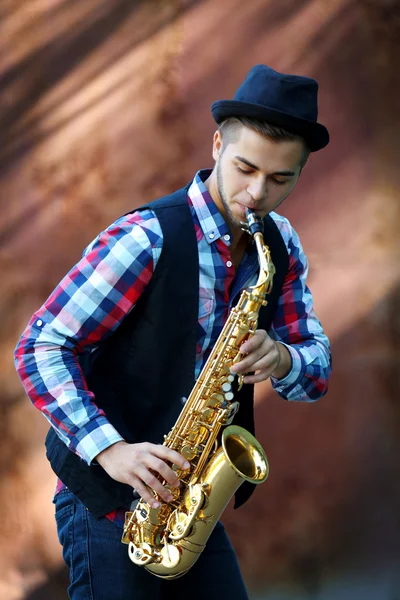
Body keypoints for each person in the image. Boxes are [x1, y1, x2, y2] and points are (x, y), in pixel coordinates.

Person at [14, 64, 332, 600]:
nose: (257, 193)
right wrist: (112, 450)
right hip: (106, 501)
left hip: (189, 505)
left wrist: (281, 358)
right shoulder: (146, 238)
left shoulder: (279, 247)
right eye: (245, 168)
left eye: (281, 179)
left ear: (300, 172)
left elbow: (315, 372)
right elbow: (40, 347)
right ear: (215, 146)